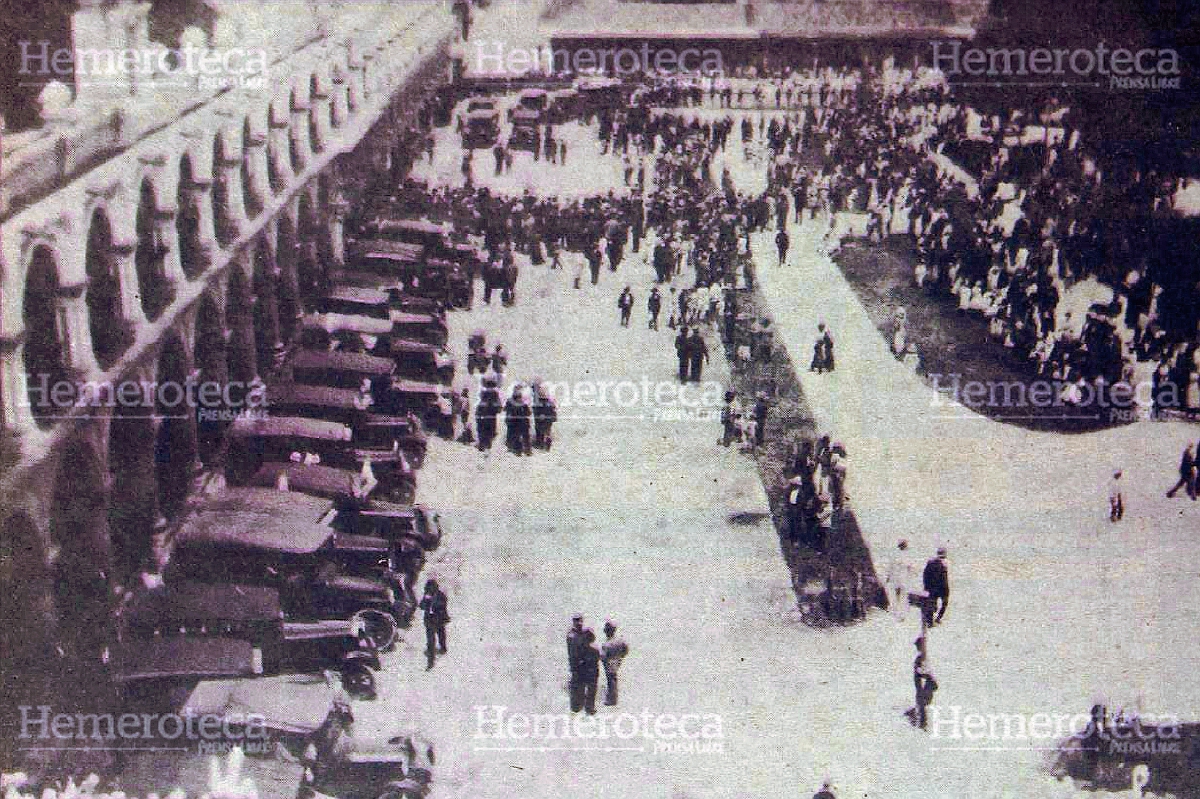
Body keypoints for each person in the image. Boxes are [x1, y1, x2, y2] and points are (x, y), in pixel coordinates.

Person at [419, 579, 449, 670]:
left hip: (438, 619)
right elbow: (421, 606)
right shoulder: (427, 595)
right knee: (431, 641)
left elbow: (442, 605)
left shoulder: (440, 595)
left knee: (441, 634)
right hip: (430, 621)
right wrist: (426, 600)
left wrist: (432, 601)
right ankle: (430, 661)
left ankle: (443, 648)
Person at [600, 621, 629, 706]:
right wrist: (621, 656)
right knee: (614, 678)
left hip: (609, 663)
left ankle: (612, 700)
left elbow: (603, 656)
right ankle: (613, 697)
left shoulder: (606, 645)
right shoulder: (620, 641)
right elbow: (626, 648)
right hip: (617, 660)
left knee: (611, 680)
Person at [912, 637, 938, 730]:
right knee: (921, 703)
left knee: (922, 702)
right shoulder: (920, 658)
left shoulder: (923, 658)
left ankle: (923, 723)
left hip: (926, 685)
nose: (918, 648)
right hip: (922, 686)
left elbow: (925, 673)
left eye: (919, 646)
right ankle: (922, 723)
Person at [922, 548, 949, 626]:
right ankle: (938, 618)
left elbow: (925, 576)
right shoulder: (944, 564)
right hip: (941, 589)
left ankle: (930, 622)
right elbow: (944, 579)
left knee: (931, 603)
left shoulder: (930, 563)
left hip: (931, 588)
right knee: (944, 603)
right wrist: (946, 590)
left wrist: (926, 587)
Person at [577, 629, 600, 715]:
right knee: (592, 691)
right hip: (593, 671)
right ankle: (590, 707)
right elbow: (598, 659)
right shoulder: (596, 649)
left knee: (583, 689)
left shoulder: (582, 648)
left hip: (584, 671)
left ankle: (582, 705)